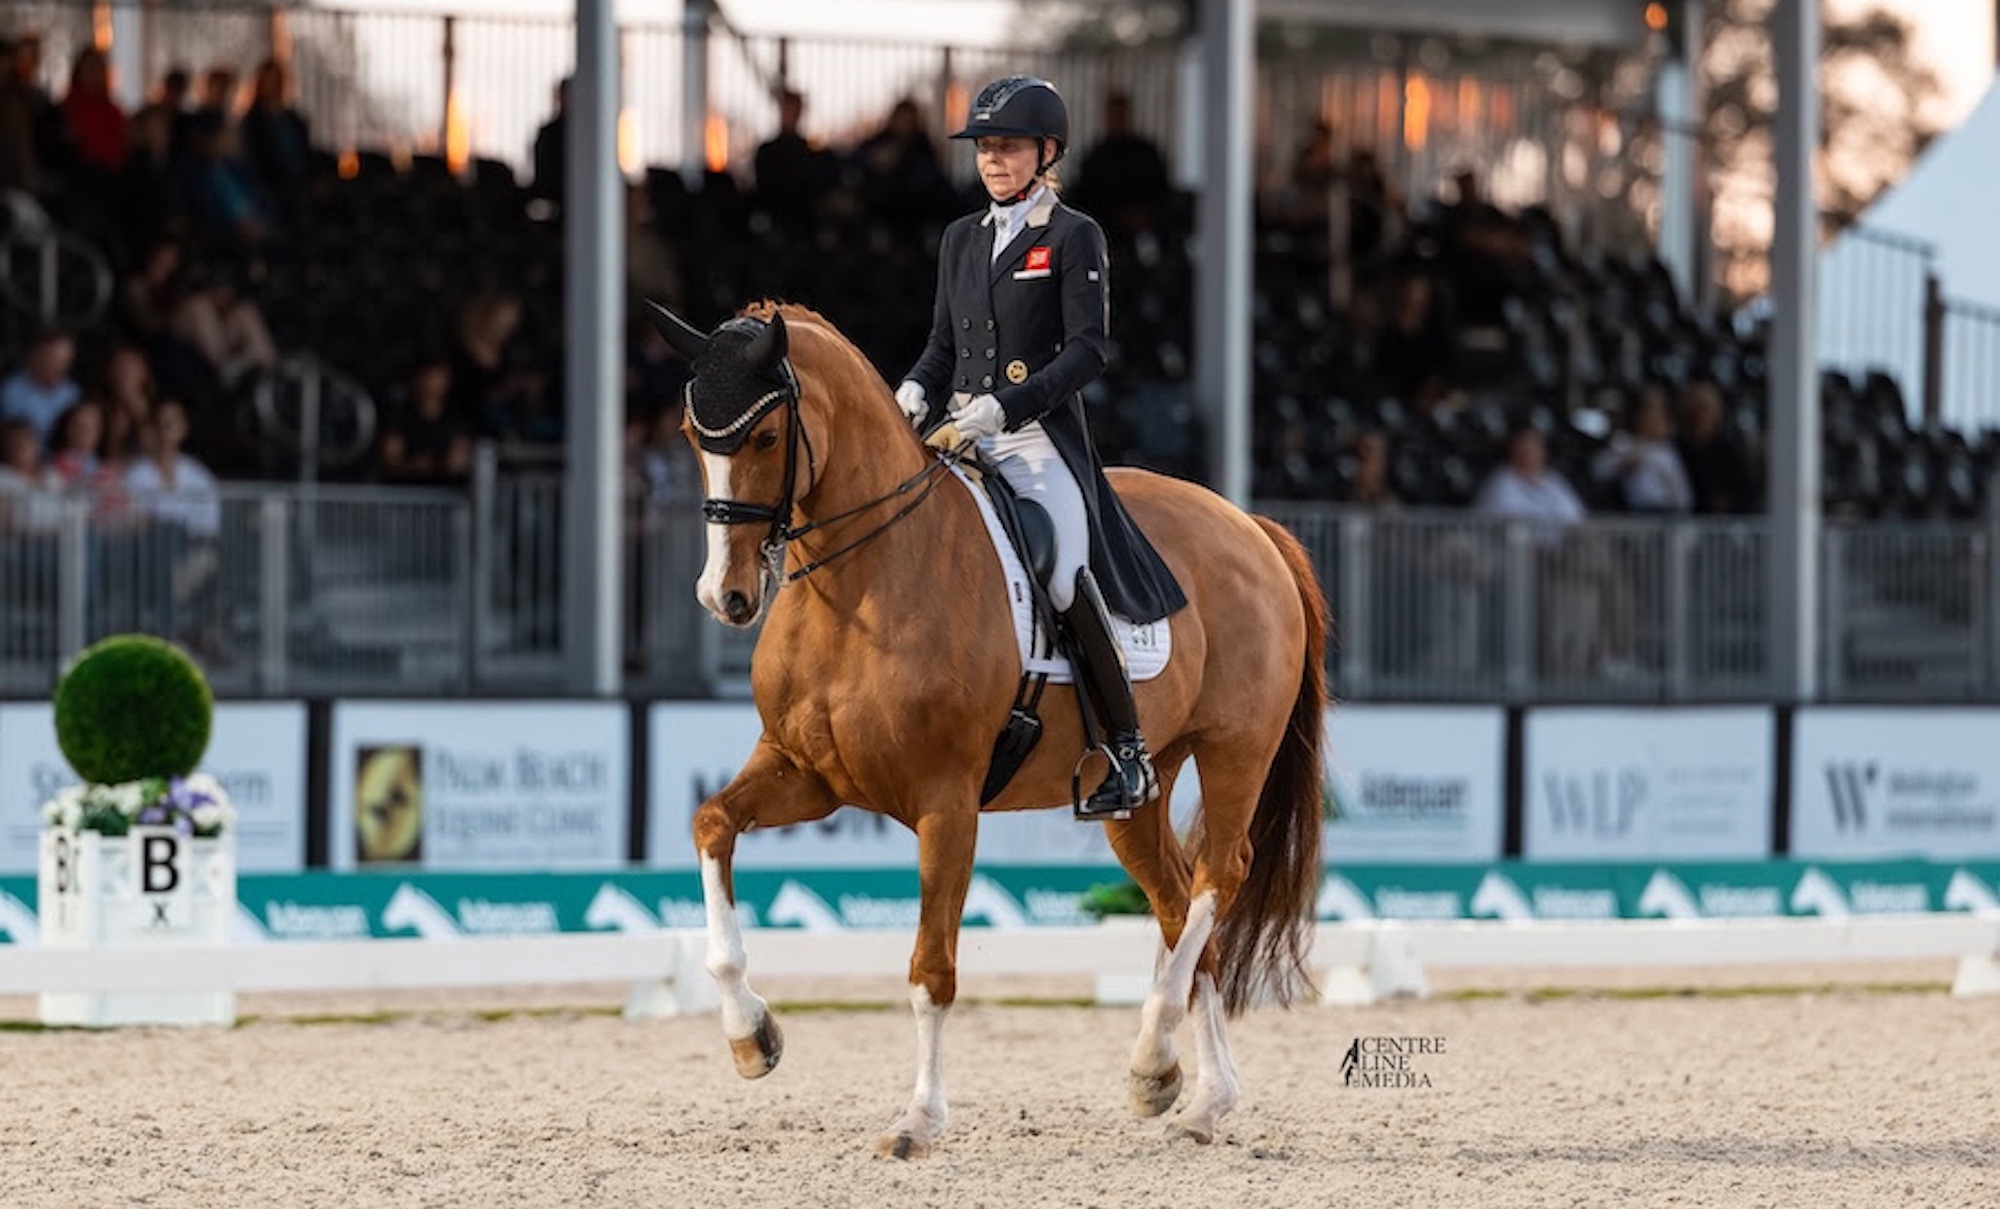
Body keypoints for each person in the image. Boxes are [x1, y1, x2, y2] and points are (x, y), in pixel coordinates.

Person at [895, 75, 1185, 819]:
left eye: (1009, 147)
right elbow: (942, 343)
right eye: (985, 147)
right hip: (957, 432)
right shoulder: (960, 238)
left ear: (1047, 152)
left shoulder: (1072, 234)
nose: (993, 160)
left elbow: (1088, 351)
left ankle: (1126, 749)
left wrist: (1004, 406)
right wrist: (913, 390)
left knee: (1061, 570)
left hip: (1033, 437)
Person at [1070, 90, 1169, 238]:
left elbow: (1160, 191)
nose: (1117, 120)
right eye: (1113, 115)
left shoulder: (1145, 154)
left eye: (1121, 114)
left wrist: (1143, 216)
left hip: (1144, 229)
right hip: (1106, 229)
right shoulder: (1097, 157)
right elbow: (1085, 196)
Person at [1592, 382, 1694, 513]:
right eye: (1648, 411)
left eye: (1659, 412)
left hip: (1665, 514)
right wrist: (1623, 466)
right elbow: (1599, 470)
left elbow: (1684, 498)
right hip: (1631, 513)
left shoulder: (1665, 451)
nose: (1654, 417)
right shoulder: (1623, 443)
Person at [0, 327, 81, 446]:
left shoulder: (72, 392)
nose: (61, 367)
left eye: (66, 361)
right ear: (37, 355)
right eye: (55, 359)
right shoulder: (11, 390)